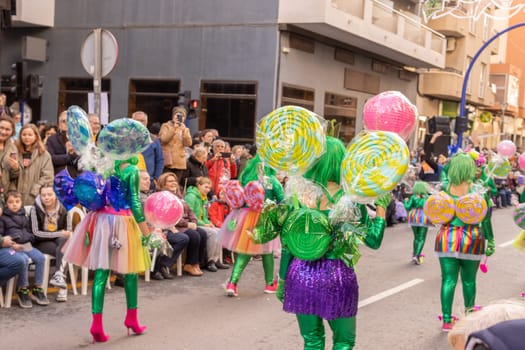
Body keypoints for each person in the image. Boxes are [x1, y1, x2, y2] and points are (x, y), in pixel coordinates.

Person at [256, 136, 390, 349]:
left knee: (312, 340)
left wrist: (282, 280)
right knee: (344, 341)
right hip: (338, 275)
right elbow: (373, 241)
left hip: (300, 275)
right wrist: (381, 208)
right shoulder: (351, 200)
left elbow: (288, 244)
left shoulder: (297, 196)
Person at [62, 156, 152, 342]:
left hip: (101, 220)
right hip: (123, 221)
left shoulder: (102, 165)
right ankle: (132, 319)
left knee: (102, 273)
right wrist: (146, 231)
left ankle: (96, 325)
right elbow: (135, 202)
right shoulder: (131, 170)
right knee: (131, 271)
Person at [430, 152, 492, 332]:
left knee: (448, 280)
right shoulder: (479, 193)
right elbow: (486, 221)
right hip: (471, 239)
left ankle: (447, 320)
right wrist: (491, 241)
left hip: (446, 239)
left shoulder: (442, 193)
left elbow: (434, 216)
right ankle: (469, 315)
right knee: (469, 281)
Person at [223, 154, 284, 297]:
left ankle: (233, 283)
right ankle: (269, 284)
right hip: (265, 217)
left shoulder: (245, 179)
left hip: (246, 217)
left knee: (246, 249)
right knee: (267, 251)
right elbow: (282, 199)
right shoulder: (271, 181)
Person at [152, 172, 207, 279]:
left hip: (185, 225)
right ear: (163, 184)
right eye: (170, 181)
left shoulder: (179, 195)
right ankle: (181, 264)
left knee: (202, 233)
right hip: (174, 226)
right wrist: (187, 224)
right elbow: (170, 216)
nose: (174, 183)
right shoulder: (163, 196)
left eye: (175, 181)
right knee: (192, 235)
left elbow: (190, 211)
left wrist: (194, 222)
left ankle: (195, 263)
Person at [0, 190, 50, 308]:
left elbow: (30, 232)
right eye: (11, 202)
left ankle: (38, 288)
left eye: (17, 202)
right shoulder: (3, 218)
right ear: (6, 204)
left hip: (26, 245)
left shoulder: (24, 216)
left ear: (21, 203)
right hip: (13, 247)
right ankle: (23, 289)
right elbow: (2, 236)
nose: (14, 204)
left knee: (40, 258)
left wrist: (28, 239)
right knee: (23, 260)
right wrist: (13, 244)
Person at [31, 184, 72, 302]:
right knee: (63, 249)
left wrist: (64, 234)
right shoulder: (35, 209)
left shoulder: (64, 209)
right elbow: (36, 234)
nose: (46, 197)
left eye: (49, 194)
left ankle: (59, 276)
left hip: (59, 241)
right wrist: (59, 234)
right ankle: (62, 286)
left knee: (65, 244)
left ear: (56, 195)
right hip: (41, 242)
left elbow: (68, 232)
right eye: (43, 195)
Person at [184, 176, 229, 272]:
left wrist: (209, 223)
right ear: (198, 185)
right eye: (205, 187)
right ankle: (210, 261)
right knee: (213, 233)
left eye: (209, 188)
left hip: (201, 223)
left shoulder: (203, 197)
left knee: (218, 231)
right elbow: (191, 215)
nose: (208, 190)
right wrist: (204, 224)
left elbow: (204, 216)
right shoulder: (191, 196)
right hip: (193, 223)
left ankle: (216, 259)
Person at [12, 123, 54, 205]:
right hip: (15, 198)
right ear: (20, 136)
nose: (27, 137)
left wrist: (35, 190)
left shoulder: (43, 154)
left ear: (36, 136)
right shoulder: (14, 152)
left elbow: (48, 176)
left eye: (30, 135)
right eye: (24, 134)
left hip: (35, 197)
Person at [132, 111, 164, 189]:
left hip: (149, 181)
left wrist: (156, 178)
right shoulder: (126, 138)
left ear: (146, 122)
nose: (140, 123)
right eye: (137, 120)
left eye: (142, 120)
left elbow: (160, 160)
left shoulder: (153, 139)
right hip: (130, 180)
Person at [159, 106, 192, 180]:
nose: (179, 117)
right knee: (165, 181)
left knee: (175, 183)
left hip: (179, 162)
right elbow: (164, 140)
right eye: (177, 115)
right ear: (173, 116)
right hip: (168, 161)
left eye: (182, 116)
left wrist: (184, 131)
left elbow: (188, 143)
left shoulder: (185, 129)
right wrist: (174, 128)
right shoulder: (165, 126)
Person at [46, 111, 81, 178]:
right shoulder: (52, 139)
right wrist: (70, 157)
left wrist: (74, 155)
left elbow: (83, 160)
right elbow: (51, 158)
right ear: (59, 124)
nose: (67, 123)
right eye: (63, 121)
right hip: (58, 177)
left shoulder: (79, 139)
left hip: (76, 177)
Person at [404, 181, 431, 265]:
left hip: (413, 217)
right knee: (422, 238)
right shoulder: (427, 197)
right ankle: (416, 255)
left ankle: (414, 255)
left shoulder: (413, 197)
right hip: (424, 217)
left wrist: (405, 201)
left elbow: (407, 207)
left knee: (416, 237)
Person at [0, 116, 19, 211]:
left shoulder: (12, 148)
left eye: (7, 129)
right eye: (1, 128)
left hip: (3, 193)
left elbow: (13, 176)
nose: (3, 132)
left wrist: (15, 169)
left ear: (12, 132)